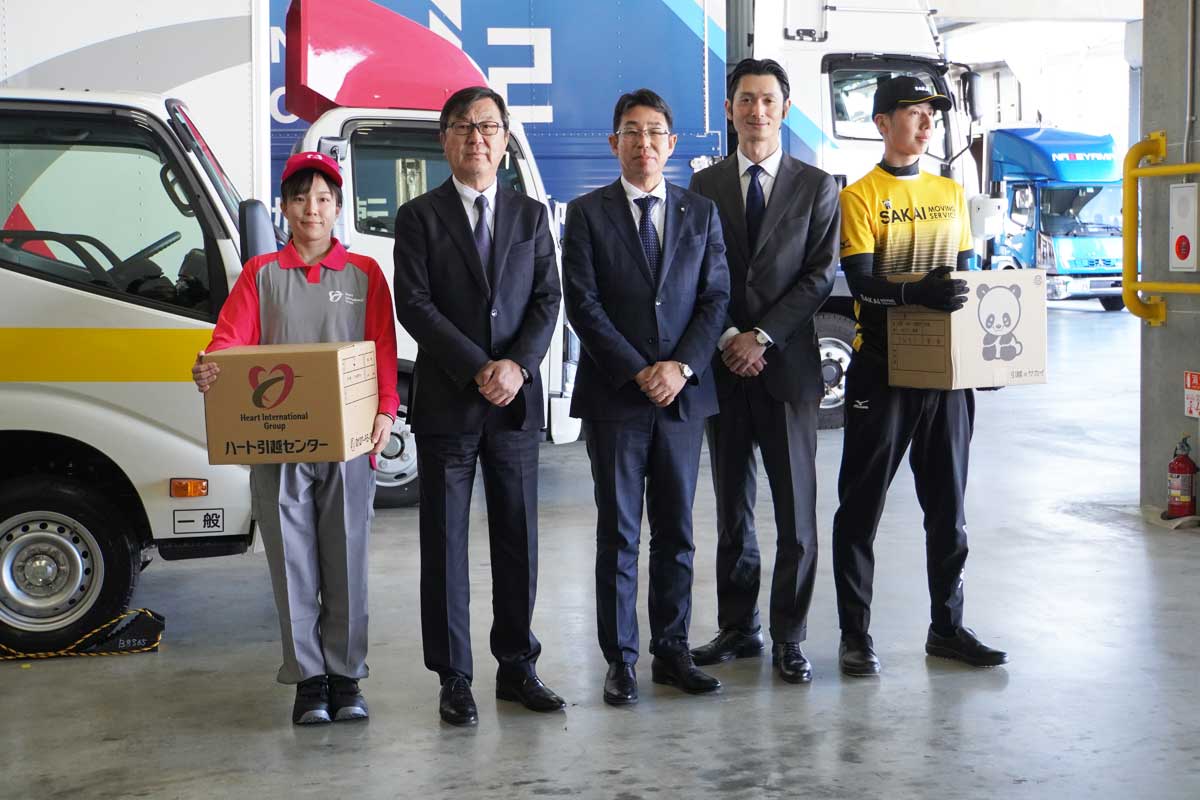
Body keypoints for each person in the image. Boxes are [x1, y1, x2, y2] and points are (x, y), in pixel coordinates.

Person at [191, 151, 398, 724]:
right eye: (301, 197)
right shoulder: (262, 275)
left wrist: (386, 411)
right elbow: (228, 343)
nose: (313, 209)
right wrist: (210, 367)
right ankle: (309, 679)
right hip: (280, 445)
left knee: (347, 560)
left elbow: (382, 349)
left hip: (350, 445)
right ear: (284, 207)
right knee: (292, 564)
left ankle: (347, 677)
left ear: (338, 208)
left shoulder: (364, 274)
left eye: (324, 199)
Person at [392, 86, 564, 727]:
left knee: (518, 539)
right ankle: (454, 677)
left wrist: (517, 366)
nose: (477, 138)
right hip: (449, 403)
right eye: (464, 126)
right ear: (444, 140)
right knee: (445, 545)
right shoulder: (419, 217)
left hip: (514, 403)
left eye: (488, 126)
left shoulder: (530, 215)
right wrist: (477, 366)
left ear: (505, 139)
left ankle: (517, 666)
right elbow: (415, 305)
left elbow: (547, 299)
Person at [831, 75, 1008, 677]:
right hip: (881, 373)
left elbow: (966, 284)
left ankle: (948, 629)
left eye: (931, 111)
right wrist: (913, 293)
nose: (926, 121)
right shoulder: (860, 197)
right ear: (882, 122)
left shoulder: (951, 194)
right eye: (912, 111)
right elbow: (862, 285)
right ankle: (855, 636)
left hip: (945, 377)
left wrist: (984, 358)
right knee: (860, 510)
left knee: (949, 510)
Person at [563, 88, 730, 705]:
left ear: (672, 143)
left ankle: (673, 651)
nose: (644, 143)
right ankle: (621, 660)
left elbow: (716, 297)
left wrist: (680, 367)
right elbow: (583, 304)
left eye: (655, 132)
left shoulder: (700, 213)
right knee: (620, 533)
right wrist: (640, 371)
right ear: (614, 143)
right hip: (617, 398)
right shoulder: (586, 213)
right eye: (631, 132)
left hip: (683, 398)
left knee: (677, 531)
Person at [687, 58, 839, 684]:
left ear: (785, 108)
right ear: (729, 110)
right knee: (732, 509)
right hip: (725, 367)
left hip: (787, 367)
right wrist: (730, 337)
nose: (757, 110)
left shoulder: (817, 185)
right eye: (746, 100)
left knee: (796, 514)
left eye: (768, 100)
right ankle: (738, 627)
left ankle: (790, 637)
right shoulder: (703, 186)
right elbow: (698, 271)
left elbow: (819, 275)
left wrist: (763, 336)